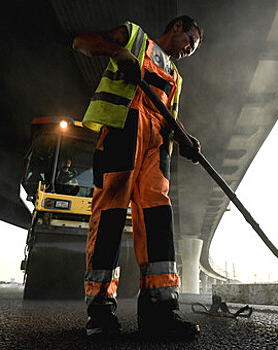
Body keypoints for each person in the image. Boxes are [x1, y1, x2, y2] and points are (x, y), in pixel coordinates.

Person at [72, 15, 203, 339]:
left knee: (158, 220)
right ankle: (100, 313)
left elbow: (167, 114)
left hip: (156, 148)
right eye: (191, 41)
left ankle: (161, 312)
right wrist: (118, 53)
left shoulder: (175, 76)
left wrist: (185, 138)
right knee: (111, 217)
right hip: (123, 131)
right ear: (176, 27)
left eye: (194, 47)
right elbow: (81, 42)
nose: (190, 49)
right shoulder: (134, 38)